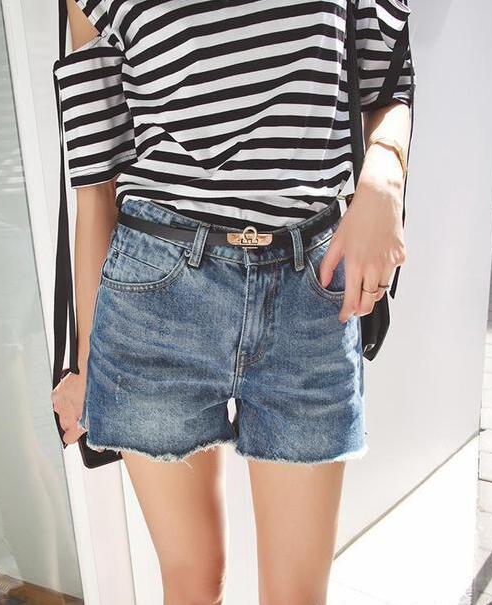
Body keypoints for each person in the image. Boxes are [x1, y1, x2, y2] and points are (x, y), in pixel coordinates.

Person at [51, 0, 416, 602]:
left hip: (310, 288)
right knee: (191, 581)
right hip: (155, 297)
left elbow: (389, 81)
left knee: (297, 596)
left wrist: (384, 178)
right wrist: (89, 364)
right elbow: (96, 181)